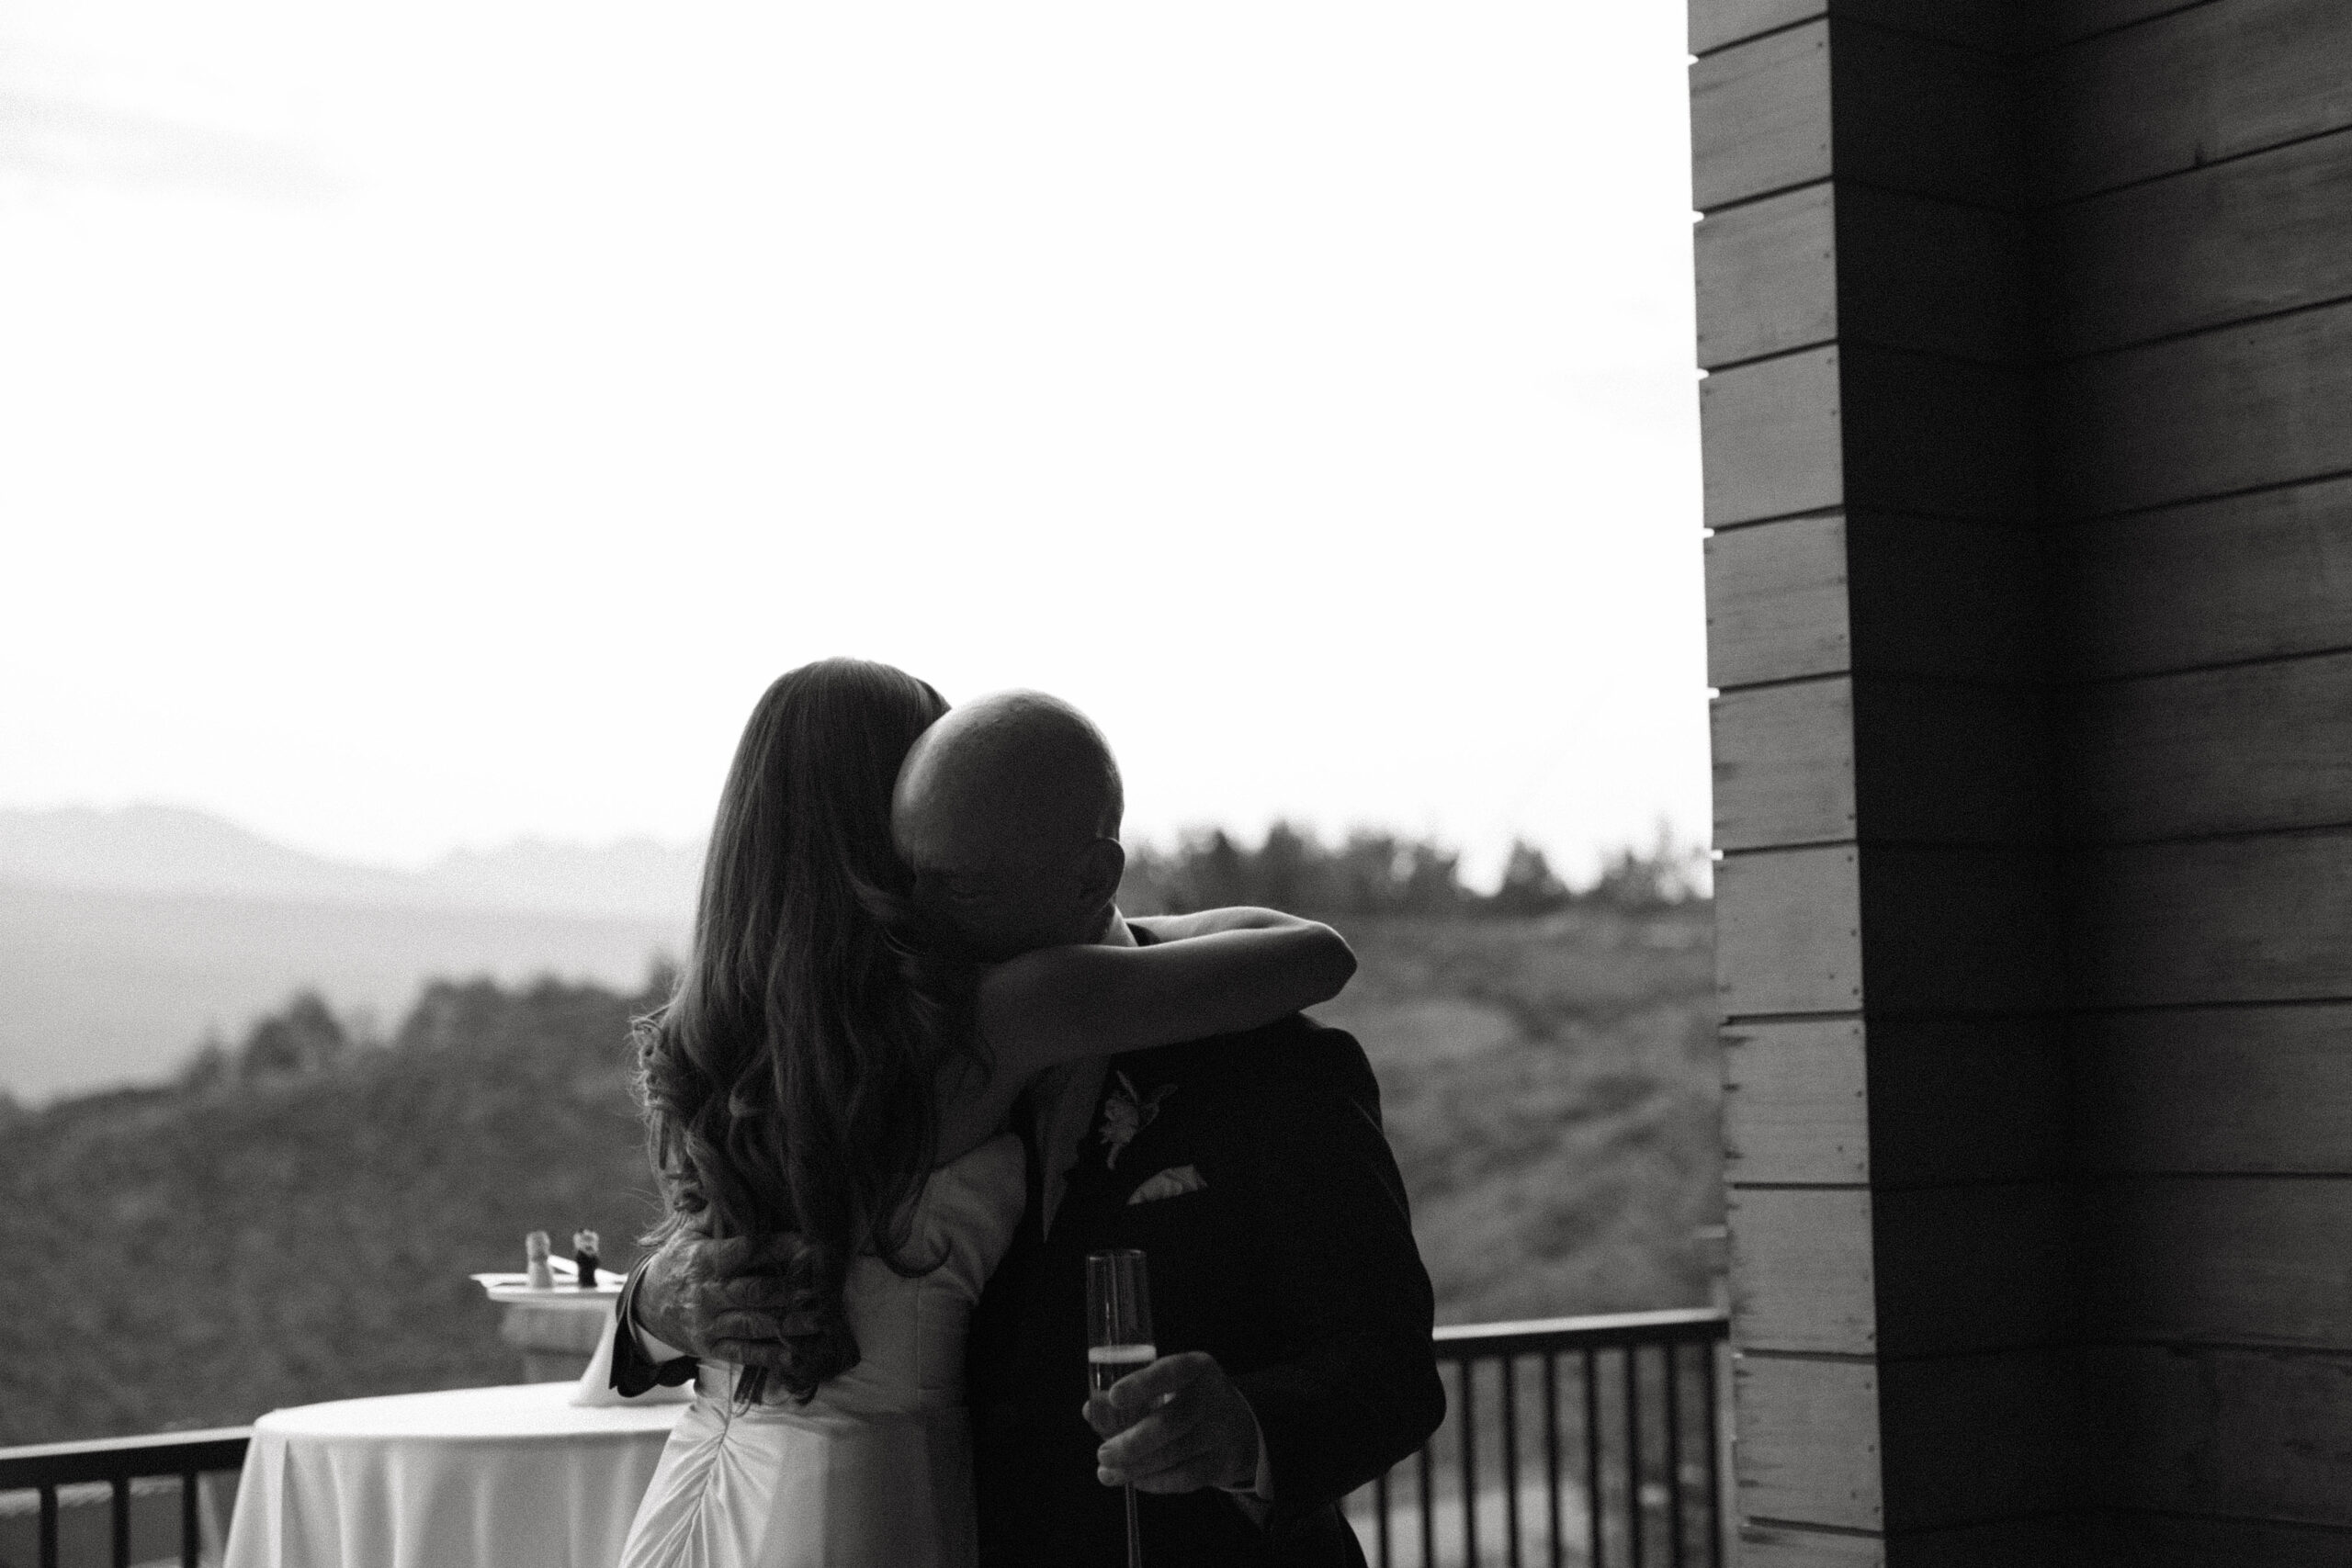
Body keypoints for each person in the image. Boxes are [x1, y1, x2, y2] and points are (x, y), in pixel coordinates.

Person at [621, 684, 1446, 1567]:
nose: (925, 916)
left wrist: (1245, 1431)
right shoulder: (873, 1062)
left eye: (961, 889)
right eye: (908, 877)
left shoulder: (1273, 1067)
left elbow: (1388, 1372)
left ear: (1093, 876)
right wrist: (650, 1305)